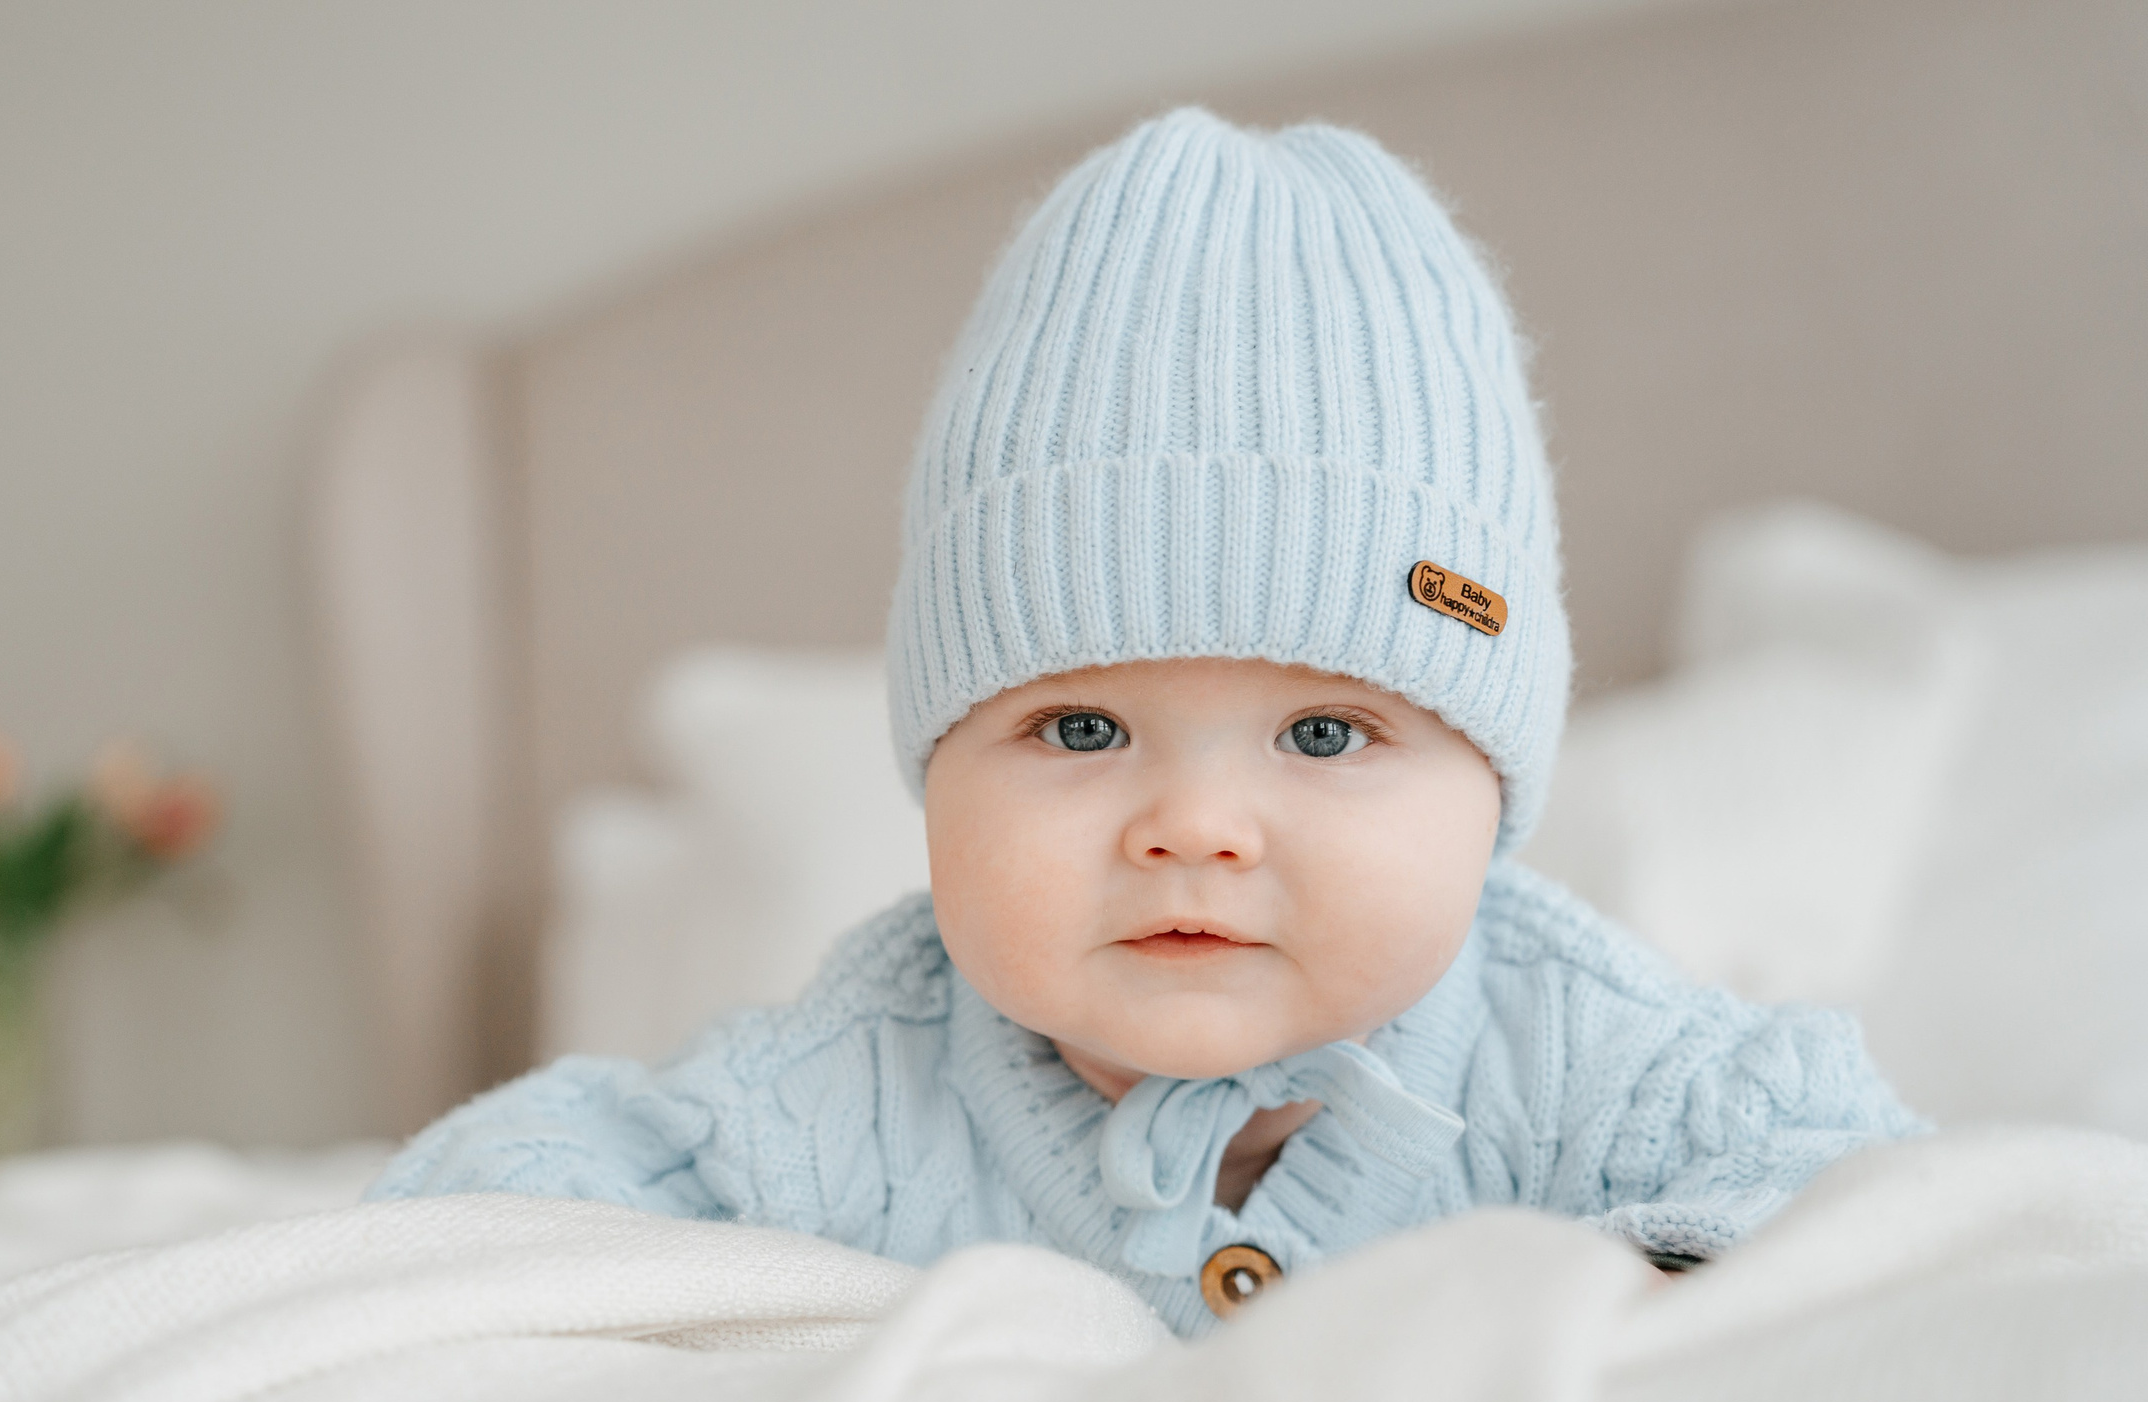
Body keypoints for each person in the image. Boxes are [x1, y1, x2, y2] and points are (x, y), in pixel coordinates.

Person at [368, 109, 1924, 1334]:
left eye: (1323, 736)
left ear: (1494, 788)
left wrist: (1646, 1300)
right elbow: (494, 1210)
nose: (1193, 825)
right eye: (1082, 731)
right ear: (935, 769)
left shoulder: (1582, 1053)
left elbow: (1878, 1190)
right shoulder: (851, 1093)